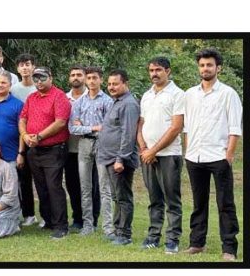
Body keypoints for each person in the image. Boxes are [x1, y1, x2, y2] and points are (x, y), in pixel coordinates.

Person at [183, 48, 242, 261]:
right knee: (199, 204)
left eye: (209, 65)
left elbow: (235, 128)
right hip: (194, 157)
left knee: (225, 204)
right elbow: (187, 127)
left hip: (218, 157)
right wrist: (188, 151)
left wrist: (228, 155)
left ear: (219, 68)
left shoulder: (228, 94)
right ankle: (197, 244)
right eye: (202, 65)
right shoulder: (190, 94)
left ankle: (229, 248)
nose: (205, 68)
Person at [136, 57, 185, 254]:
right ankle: (153, 236)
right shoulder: (147, 95)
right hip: (147, 155)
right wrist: (144, 150)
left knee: (171, 199)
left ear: (168, 71)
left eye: (158, 70)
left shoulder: (178, 94)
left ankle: (172, 239)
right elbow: (140, 125)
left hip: (168, 155)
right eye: (151, 70)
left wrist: (153, 151)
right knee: (154, 198)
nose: (154, 74)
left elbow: (176, 128)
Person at [19, 66, 71, 239]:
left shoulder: (59, 96)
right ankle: (48, 221)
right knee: (41, 187)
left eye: (42, 78)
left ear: (51, 77)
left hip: (53, 149)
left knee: (53, 186)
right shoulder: (31, 97)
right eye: (36, 79)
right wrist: (25, 135)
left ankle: (61, 226)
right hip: (34, 149)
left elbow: (60, 123)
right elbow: (23, 119)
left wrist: (39, 136)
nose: (39, 82)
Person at [68, 66, 114, 237]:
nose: (92, 81)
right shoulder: (79, 102)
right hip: (84, 145)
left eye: (95, 78)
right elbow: (72, 127)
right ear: (86, 80)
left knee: (104, 187)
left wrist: (85, 126)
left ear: (101, 80)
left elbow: (109, 128)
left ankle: (108, 227)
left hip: (103, 145)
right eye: (89, 78)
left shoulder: (108, 101)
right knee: (85, 187)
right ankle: (88, 225)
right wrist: (94, 127)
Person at [97, 69, 140, 246]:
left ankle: (125, 234)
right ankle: (117, 231)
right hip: (109, 158)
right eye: (109, 84)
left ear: (125, 84)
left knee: (123, 197)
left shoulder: (129, 104)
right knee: (116, 197)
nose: (111, 87)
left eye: (115, 83)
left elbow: (128, 133)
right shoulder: (116, 102)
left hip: (119, 160)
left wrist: (121, 159)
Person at [11, 53, 38, 226]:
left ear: (33, 67)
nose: (25, 68)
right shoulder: (14, 89)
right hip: (19, 137)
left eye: (28, 64)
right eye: (21, 65)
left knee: (43, 179)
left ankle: (48, 216)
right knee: (23, 178)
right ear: (18, 69)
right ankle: (28, 214)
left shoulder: (40, 86)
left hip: (39, 137)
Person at [64, 64, 87, 230]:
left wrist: (85, 124)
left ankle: (90, 218)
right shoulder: (64, 98)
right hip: (69, 149)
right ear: (69, 78)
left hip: (89, 149)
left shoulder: (94, 97)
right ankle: (77, 219)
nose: (76, 77)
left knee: (89, 187)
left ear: (85, 77)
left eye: (79, 74)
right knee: (73, 186)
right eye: (73, 75)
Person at [0, 69, 24, 166]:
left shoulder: (18, 105)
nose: (0, 85)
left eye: (3, 82)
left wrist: (21, 153)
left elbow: (22, 132)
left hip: (11, 155)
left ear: (10, 84)